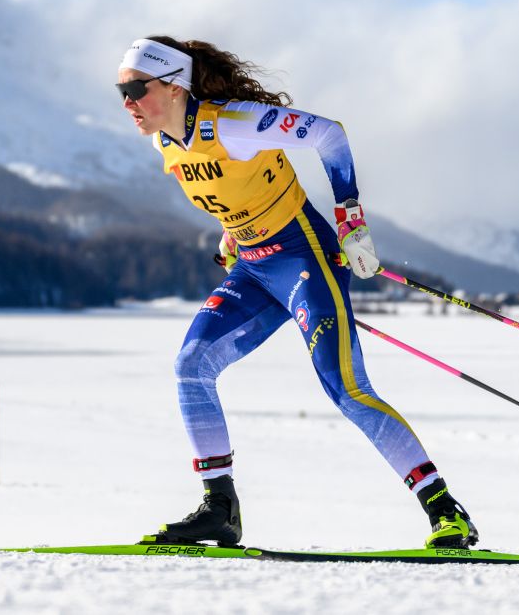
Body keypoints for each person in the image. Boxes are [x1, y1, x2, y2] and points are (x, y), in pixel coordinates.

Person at [116, 35, 478, 550]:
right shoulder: (165, 142)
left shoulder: (234, 123)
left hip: (305, 259)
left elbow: (328, 136)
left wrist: (350, 221)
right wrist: (230, 234)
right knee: (191, 366)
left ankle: (447, 513)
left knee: (347, 390)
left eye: (137, 89)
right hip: (253, 271)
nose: (128, 102)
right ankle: (219, 509)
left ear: (175, 87)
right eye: (120, 91)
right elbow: (236, 190)